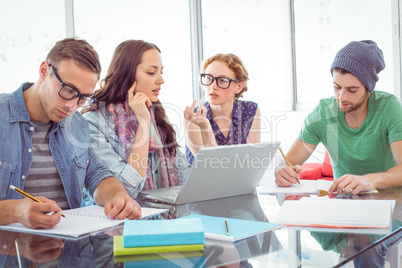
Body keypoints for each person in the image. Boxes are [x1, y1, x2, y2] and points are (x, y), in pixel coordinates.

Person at [0, 38, 142, 229]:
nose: (72, 106)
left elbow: (98, 175)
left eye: (83, 98)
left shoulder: (78, 125)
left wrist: (118, 196)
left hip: (70, 252)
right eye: (68, 90)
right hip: (9, 252)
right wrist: (14, 211)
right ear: (44, 71)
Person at [275, 40, 402, 195]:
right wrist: (281, 171)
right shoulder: (323, 112)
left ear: (369, 88)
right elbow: (288, 161)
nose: (341, 97)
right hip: (342, 203)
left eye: (352, 90)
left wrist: (370, 180)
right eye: (337, 87)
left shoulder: (389, 108)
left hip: (389, 203)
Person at [83, 40, 190, 198]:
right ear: (127, 73)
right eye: (151, 72)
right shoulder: (94, 121)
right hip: (124, 220)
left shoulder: (157, 115)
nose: (161, 80)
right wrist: (143, 124)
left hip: (168, 218)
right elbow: (125, 191)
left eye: (161, 72)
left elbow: (184, 177)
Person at [184, 53, 261, 165]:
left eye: (223, 80)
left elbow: (251, 162)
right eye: (209, 78)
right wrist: (205, 128)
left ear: (238, 87)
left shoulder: (250, 110)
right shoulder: (194, 116)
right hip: (202, 181)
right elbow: (210, 166)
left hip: (238, 180)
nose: (213, 86)